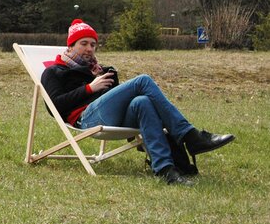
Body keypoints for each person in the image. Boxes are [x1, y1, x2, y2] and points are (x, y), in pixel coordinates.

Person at [41, 19, 235, 185]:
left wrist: (104, 80)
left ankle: (166, 169)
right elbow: (55, 106)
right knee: (143, 80)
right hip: (86, 118)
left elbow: (115, 98)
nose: (89, 49)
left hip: (110, 116)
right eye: (83, 43)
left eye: (93, 44)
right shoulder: (55, 71)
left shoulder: (98, 69)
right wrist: (90, 88)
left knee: (142, 102)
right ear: (70, 45)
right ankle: (191, 137)